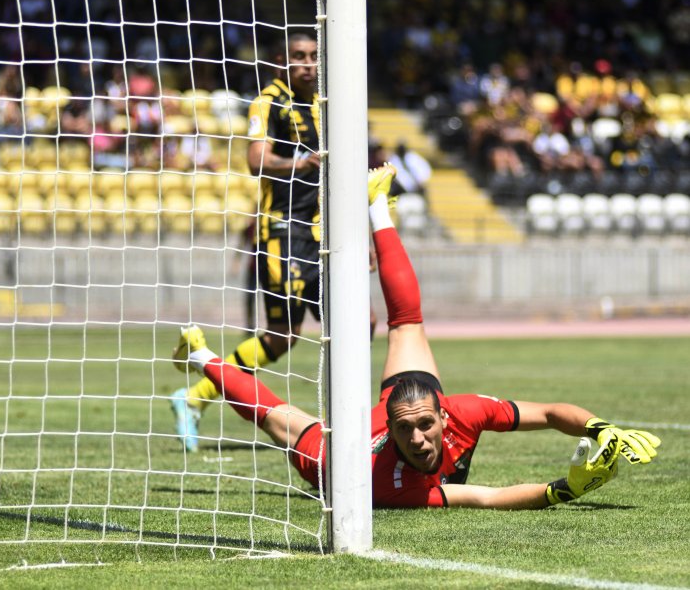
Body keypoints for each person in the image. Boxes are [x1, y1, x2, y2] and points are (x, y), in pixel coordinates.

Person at [169, 164, 661, 508]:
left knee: (407, 323)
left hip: (390, 409)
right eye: (409, 430)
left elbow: (553, 413)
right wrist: (565, 489)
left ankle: (377, 206)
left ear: (443, 413)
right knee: (279, 419)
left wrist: (601, 429)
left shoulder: (461, 411)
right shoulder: (391, 485)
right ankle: (203, 356)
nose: (420, 439)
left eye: (425, 424)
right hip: (338, 458)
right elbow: (484, 497)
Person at [170, 33, 322, 451]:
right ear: (281, 61)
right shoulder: (269, 101)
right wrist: (300, 162)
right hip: (284, 231)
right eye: (298, 57)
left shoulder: (325, 106)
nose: (307, 64)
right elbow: (256, 160)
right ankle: (194, 395)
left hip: (324, 234)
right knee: (281, 335)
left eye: (313, 57)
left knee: (360, 322)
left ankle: (350, 421)